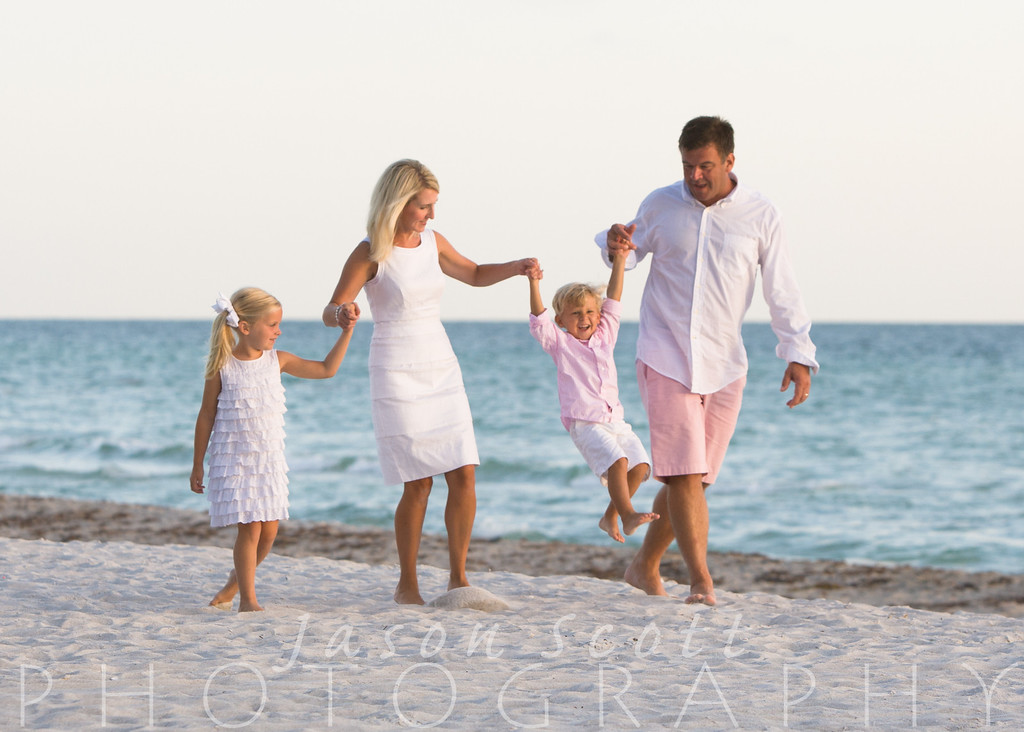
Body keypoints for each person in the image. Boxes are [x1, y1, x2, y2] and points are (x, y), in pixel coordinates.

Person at [598, 116, 819, 605]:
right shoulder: (660, 204)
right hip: (665, 354)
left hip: (725, 365)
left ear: (730, 161)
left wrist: (797, 353)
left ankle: (643, 566)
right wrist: (614, 245)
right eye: (687, 166)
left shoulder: (761, 214)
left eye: (705, 166)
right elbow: (627, 252)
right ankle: (700, 580)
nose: (694, 176)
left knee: (693, 478)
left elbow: (781, 288)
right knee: (683, 476)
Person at [322, 159, 537, 605]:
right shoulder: (370, 253)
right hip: (396, 368)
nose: (431, 215)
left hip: (439, 362)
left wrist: (515, 267)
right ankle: (408, 584)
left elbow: (475, 274)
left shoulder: (433, 242)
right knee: (417, 481)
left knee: (463, 471)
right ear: (398, 203)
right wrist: (343, 314)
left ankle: (458, 576)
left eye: (433, 206)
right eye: (423, 206)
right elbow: (332, 307)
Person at [191, 287, 354, 612]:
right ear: (246, 327)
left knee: (268, 535)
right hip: (233, 460)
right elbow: (206, 414)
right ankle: (248, 601)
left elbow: (326, 369)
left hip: (268, 462)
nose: (279, 331)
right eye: (273, 325)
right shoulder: (222, 366)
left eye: (279, 324)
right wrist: (198, 464)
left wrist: (346, 332)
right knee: (250, 529)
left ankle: (231, 587)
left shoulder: (277, 361)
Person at [527, 250, 658, 543]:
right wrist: (534, 283)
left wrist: (621, 261)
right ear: (561, 319)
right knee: (618, 462)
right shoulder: (559, 343)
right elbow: (539, 320)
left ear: (598, 316)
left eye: (589, 312)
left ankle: (609, 515)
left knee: (640, 466)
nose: (584, 318)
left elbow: (614, 297)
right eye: (575, 314)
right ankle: (627, 515)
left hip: (615, 419)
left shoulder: (605, 335)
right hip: (585, 422)